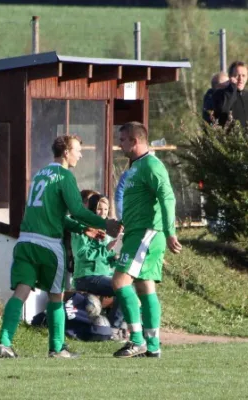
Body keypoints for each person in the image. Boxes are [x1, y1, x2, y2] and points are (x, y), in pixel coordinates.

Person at [0, 135, 121, 359]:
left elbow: (56, 215)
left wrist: (83, 229)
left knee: (20, 292)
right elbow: (79, 211)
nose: (80, 155)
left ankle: (4, 343)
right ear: (65, 152)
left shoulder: (40, 175)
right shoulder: (65, 177)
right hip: (48, 246)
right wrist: (105, 224)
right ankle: (57, 348)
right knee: (56, 296)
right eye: (77, 150)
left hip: (25, 242)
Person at [111, 122, 182, 358]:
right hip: (135, 233)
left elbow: (167, 196)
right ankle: (153, 347)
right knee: (144, 287)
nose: (119, 144)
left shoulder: (151, 165)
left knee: (120, 282)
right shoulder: (135, 167)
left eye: (122, 140)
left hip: (147, 233)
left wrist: (170, 231)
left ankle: (137, 340)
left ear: (134, 141)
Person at [71, 194, 125, 339]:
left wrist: (115, 258)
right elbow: (81, 254)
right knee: (124, 289)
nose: (102, 212)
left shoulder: (107, 231)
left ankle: (130, 330)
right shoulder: (82, 228)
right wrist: (106, 249)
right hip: (86, 276)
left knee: (134, 285)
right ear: (91, 210)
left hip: (105, 274)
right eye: (99, 209)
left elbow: (105, 257)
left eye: (106, 209)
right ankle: (114, 329)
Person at [213, 61, 248, 127]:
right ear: (230, 77)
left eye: (243, 76)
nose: (240, 79)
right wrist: (232, 89)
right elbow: (223, 112)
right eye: (237, 75)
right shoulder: (220, 94)